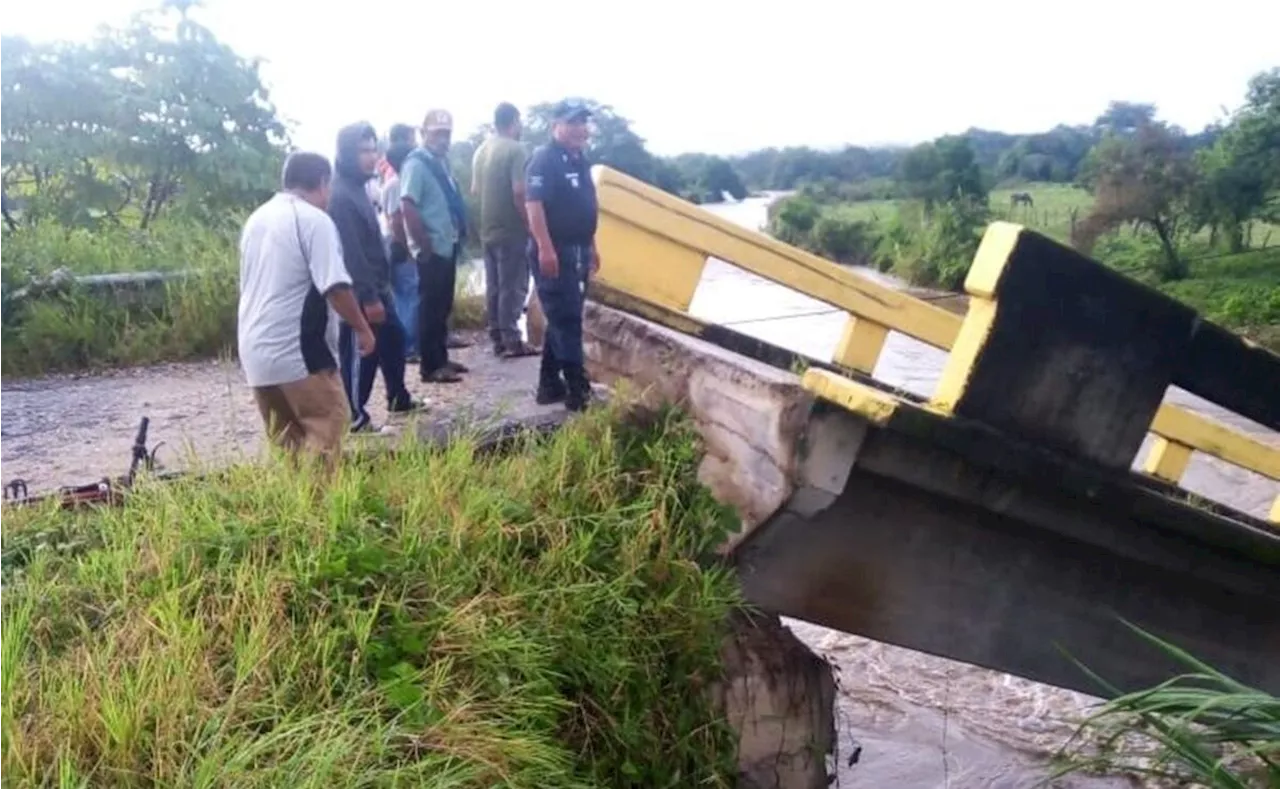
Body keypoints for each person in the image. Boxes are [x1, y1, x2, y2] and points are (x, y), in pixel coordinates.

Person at [237, 151, 375, 469]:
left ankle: (295, 516)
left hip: (255, 353)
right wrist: (363, 330)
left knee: (290, 452)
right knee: (328, 430)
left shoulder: (257, 219)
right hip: (298, 353)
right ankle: (323, 517)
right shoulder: (314, 221)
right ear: (324, 183)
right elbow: (336, 287)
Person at [328, 122, 424, 432]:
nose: (371, 157)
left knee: (394, 339)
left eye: (373, 149)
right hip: (359, 292)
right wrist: (368, 297)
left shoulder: (359, 188)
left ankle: (398, 397)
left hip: (379, 285)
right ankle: (353, 414)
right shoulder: (341, 195)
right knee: (362, 352)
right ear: (347, 154)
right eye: (364, 151)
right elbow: (352, 254)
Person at [525, 98, 601, 412]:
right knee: (566, 319)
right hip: (555, 251)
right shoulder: (544, 159)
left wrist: (593, 244)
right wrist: (545, 246)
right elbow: (534, 205)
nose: (579, 129)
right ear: (555, 126)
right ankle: (577, 389)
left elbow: (586, 204)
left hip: (579, 248)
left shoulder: (579, 159)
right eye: (572, 123)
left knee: (563, 318)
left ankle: (548, 385)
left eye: (583, 122)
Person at [400, 109, 469, 384]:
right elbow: (407, 203)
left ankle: (441, 357)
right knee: (430, 308)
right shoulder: (417, 164)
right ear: (424, 133)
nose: (443, 139)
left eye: (447, 133)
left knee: (443, 305)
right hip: (432, 247)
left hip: (447, 243)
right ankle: (430, 366)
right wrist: (423, 244)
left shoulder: (441, 162)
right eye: (438, 133)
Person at [472, 102, 539, 358]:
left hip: (487, 228)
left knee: (494, 286)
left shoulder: (482, 150)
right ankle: (512, 340)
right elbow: (519, 191)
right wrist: (530, 224)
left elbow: (475, 191)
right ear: (514, 121)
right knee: (513, 285)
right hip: (511, 229)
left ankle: (497, 336)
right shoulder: (516, 150)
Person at [381, 124, 419, 362]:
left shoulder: (393, 181)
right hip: (399, 246)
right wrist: (406, 247)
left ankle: (409, 344)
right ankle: (409, 346)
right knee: (409, 295)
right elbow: (396, 219)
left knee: (405, 295)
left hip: (396, 244)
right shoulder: (397, 183)